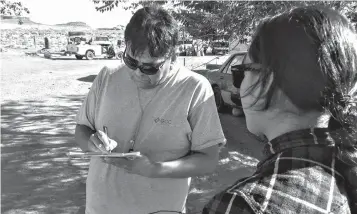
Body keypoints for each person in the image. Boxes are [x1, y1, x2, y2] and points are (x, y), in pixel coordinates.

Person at [203, 6, 357, 214]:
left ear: (268, 82)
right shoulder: (345, 166)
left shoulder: (243, 205)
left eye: (241, 72)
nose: (239, 85)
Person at [74, 6, 226, 214]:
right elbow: (82, 129)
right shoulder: (107, 76)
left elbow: (208, 160)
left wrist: (155, 169)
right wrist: (91, 143)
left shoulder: (195, 88)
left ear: (172, 56)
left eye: (149, 67)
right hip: (100, 207)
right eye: (130, 61)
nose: (137, 73)